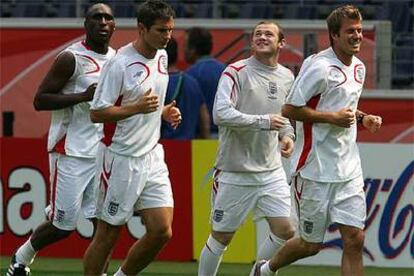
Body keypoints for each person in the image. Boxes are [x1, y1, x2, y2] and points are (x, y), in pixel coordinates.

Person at [252, 5, 382, 276]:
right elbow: (290, 109)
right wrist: (331, 118)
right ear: (334, 35)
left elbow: (343, 106)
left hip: (348, 170)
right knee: (311, 244)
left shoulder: (358, 67)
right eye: (350, 31)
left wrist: (363, 118)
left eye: (359, 30)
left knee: (355, 240)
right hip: (314, 170)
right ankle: (266, 270)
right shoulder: (318, 67)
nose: (357, 36)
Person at [6, 3, 116, 276]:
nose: (102, 22)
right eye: (96, 17)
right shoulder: (71, 58)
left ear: (114, 25)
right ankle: (21, 258)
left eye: (108, 18)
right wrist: (81, 96)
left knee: (102, 224)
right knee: (63, 225)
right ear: (86, 24)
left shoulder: (116, 59)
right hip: (69, 151)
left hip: (100, 151)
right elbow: (39, 100)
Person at [82, 1, 180, 275]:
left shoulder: (161, 55)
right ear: (141, 28)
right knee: (108, 235)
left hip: (151, 155)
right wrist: (136, 108)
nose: (167, 36)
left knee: (162, 231)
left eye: (170, 30)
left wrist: (164, 111)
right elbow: (97, 113)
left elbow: (148, 102)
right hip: (120, 159)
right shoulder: (120, 64)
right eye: (161, 30)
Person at [198, 21, 296, 276]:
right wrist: (263, 122)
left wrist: (288, 136)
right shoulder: (235, 71)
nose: (262, 37)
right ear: (252, 41)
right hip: (235, 171)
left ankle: (257, 273)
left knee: (285, 230)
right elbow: (220, 114)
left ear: (281, 43)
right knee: (222, 237)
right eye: (257, 34)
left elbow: (285, 117)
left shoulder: (287, 76)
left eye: (268, 34)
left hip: (271, 170)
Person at [161, 37, 210, 139]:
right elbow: (203, 115)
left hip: (163, 145)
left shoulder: (157, 83)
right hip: (189, 147)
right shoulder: (192, 82)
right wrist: (206, 139)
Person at [184, 27, 225, 137]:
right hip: (225, 136)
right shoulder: (226, 70)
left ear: (192, 49)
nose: (184, 50)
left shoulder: (189, 75)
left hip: (200, 137)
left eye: (185, 46)